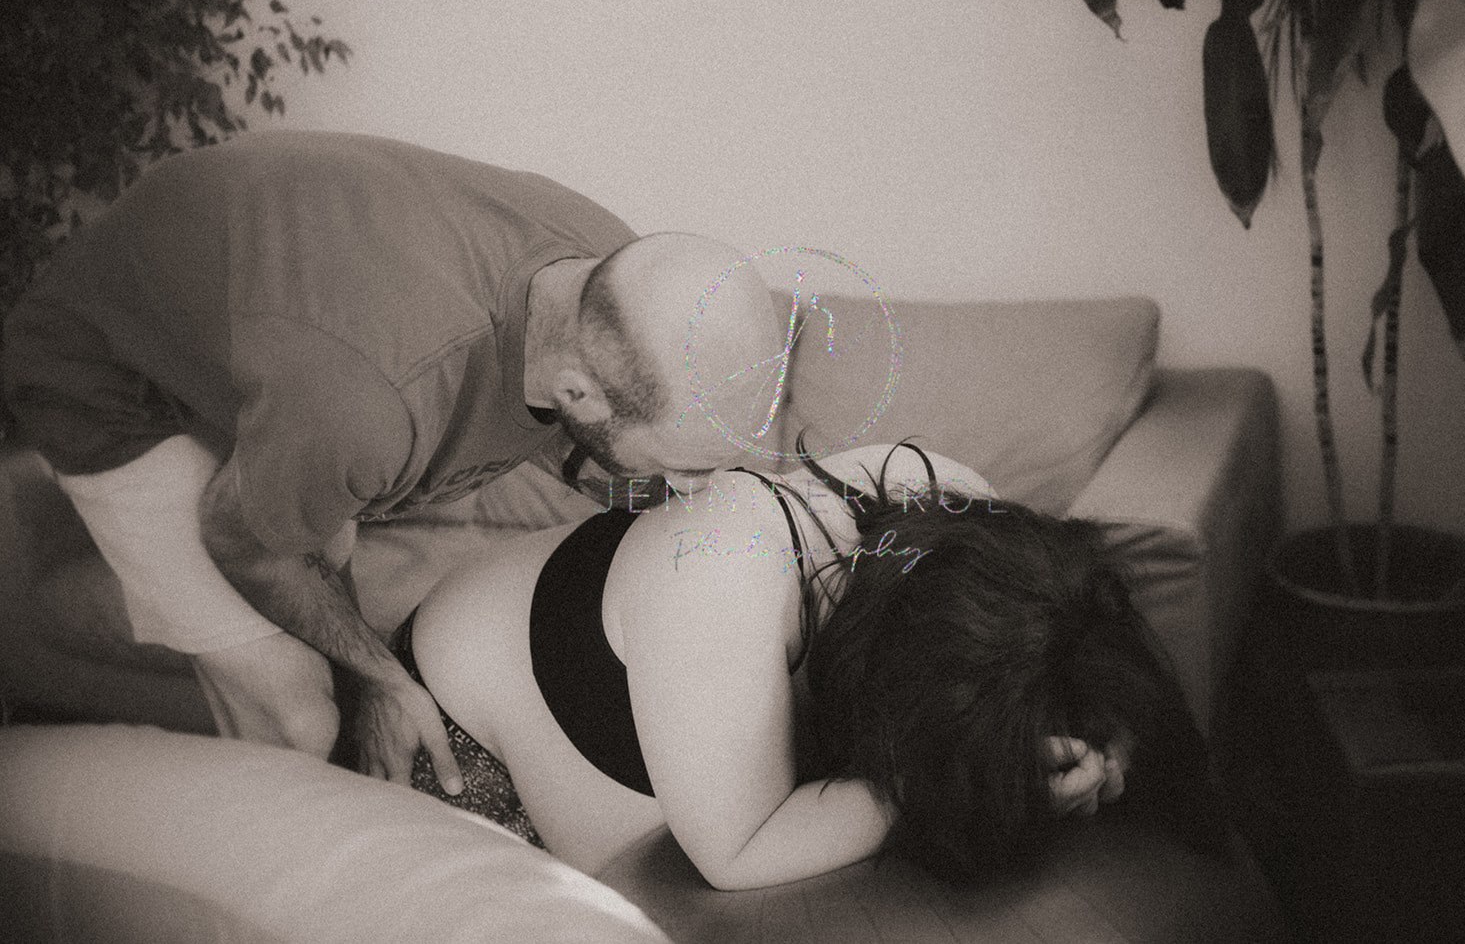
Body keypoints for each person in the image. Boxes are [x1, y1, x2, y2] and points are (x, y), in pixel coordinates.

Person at [0, 130, 786, 796]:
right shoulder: (371, 402)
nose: (698, 489)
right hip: (109, 384)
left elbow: (578, 442)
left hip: (265, 350)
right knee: (302, 710)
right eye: (690, 467)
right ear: (577, 389)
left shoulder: (609, 278)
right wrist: (380, 679)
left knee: (330, 637)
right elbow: (239, 536)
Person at [403, 441, 1226, 888]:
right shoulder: (725, 580)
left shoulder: (955, 508)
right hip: (447, 752)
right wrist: (989, 780)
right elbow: (738, 855)